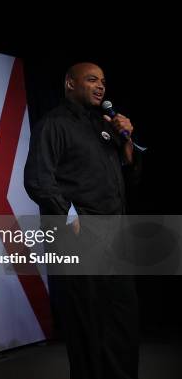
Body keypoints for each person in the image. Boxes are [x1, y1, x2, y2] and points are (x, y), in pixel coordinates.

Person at [24, 62, 141, 379]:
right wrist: (71, 218)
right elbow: (38, 180)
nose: (100, 86)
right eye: (91, 80)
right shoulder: (53, 124)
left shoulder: (104, 127)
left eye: (103, 81)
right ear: (70, 84)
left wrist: (127, 142)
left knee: (123, 323)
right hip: (79, 241)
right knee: (89, 328)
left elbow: (127, 180)